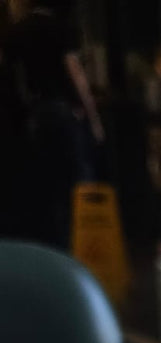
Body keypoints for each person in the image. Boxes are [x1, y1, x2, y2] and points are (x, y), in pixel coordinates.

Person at [2, 0, 104, 247]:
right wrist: (94, 119)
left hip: (37, 114)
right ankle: (88, 243)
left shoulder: (16, 32)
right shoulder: (60, 28)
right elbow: (75, 74)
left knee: (49, 184)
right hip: (65, 110)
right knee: (80, 179)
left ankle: (58, 245)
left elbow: (10, 76)